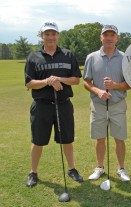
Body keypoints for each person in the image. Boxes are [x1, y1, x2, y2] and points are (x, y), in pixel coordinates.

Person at [25, 21, 83, 187]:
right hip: (41, 105)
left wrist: (59, 79)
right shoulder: (33, 57)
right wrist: (48, 81)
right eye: (47, 34)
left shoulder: (68, 55)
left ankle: (72, 169)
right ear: (42, 36)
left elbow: (76, 80)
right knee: (38, 141)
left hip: (63, 104)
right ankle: (33, 172)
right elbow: (29, 83)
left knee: (67, 140)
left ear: (58, 35)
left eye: (53, 33)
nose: (50, 37)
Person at [83, 25, 131, 182]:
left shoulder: (125, 58)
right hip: (98, 104)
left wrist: (115, 85)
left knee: (119, 138)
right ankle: (100, 167)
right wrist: (98, 91)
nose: (109, 38)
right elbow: (86, 82)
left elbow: (129, 84)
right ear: (101, 38)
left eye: (112, 35)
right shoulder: (92, 57)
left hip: (117, 104)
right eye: (106, 35)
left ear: (117, 38)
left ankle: (121, 168)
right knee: (100, 138)